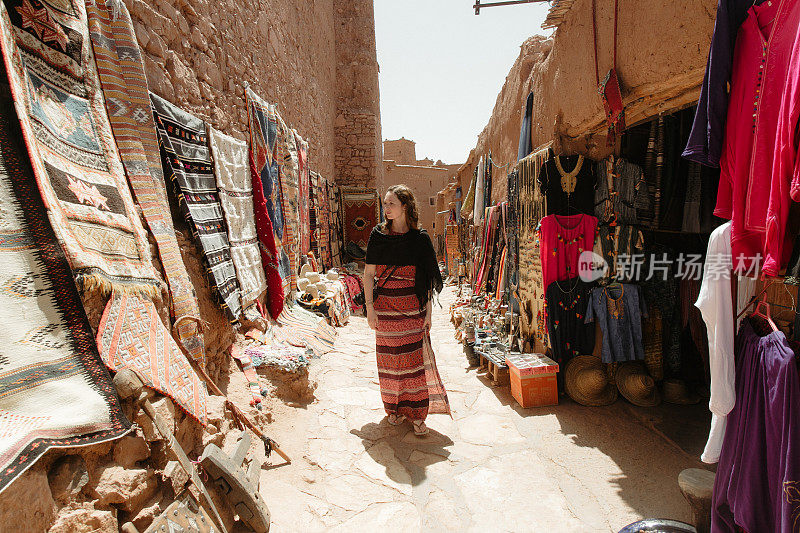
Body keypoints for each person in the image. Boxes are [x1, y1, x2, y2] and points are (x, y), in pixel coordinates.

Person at [363, 185, 450, 436]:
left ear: (405, 207)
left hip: (413, 312)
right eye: (385, 203)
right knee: (389, 364)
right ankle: (395, 409)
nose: (386, 208)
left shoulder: (419, 239)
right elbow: (369, 275)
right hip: (385, 312)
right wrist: (370, 309)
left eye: (391, 203)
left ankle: (417, 414)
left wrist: (429, 314)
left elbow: (426, 281)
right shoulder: (378, 236)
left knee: (413, 366)